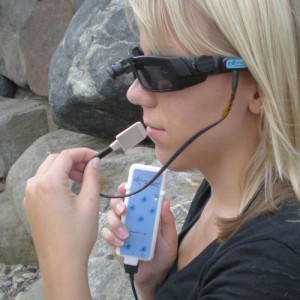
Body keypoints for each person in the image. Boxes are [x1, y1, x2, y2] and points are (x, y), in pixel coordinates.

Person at [24, 0, 300, 299]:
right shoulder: (227, 191)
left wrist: (60, 259)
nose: (134, 93)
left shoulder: (273, 264)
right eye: (138, 64)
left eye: (162, 71)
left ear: (258, 87)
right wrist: (156, 283)